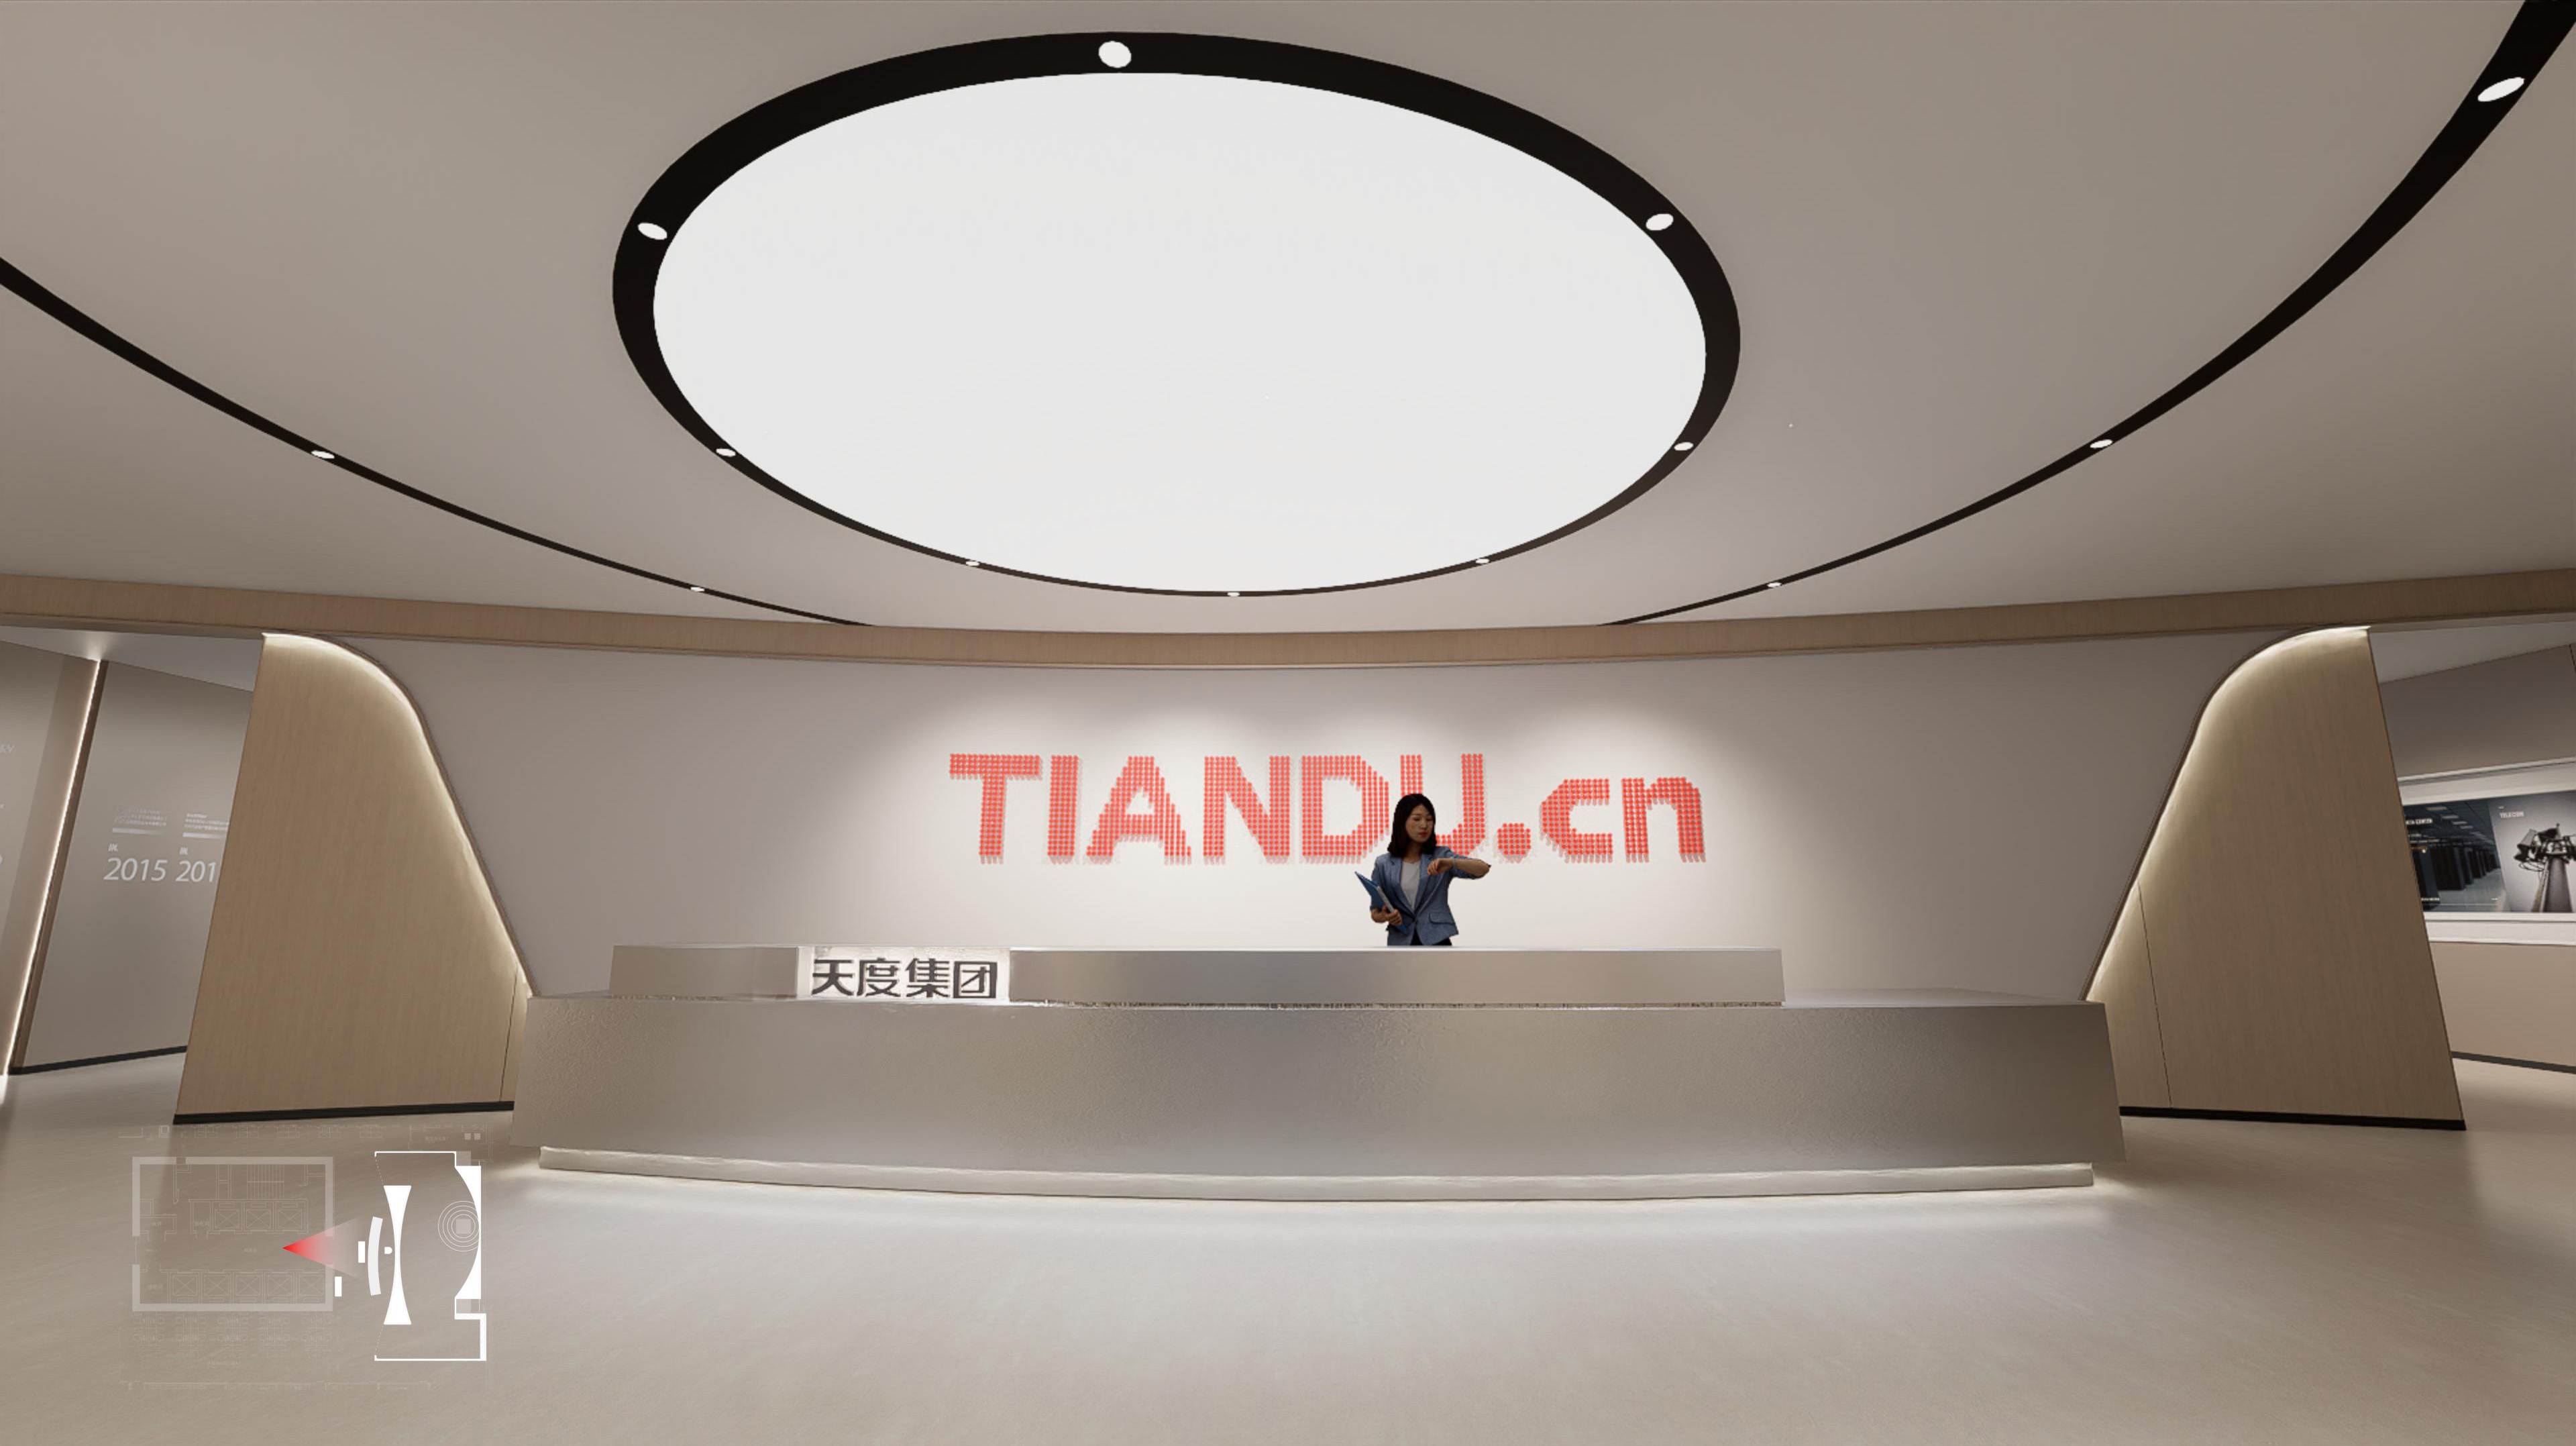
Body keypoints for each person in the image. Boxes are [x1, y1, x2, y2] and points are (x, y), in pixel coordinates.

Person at [1368, 793, 1491, 945]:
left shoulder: (1441, 856)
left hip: (1437, 939)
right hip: (1401, 940)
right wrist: (1386, 917)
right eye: (1417, 819)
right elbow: (1375, 912)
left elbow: (1482, 869)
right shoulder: (1384, 863)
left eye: (1429, 819)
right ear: (1402, 821)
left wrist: (1452, 863)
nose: (1424, 825)